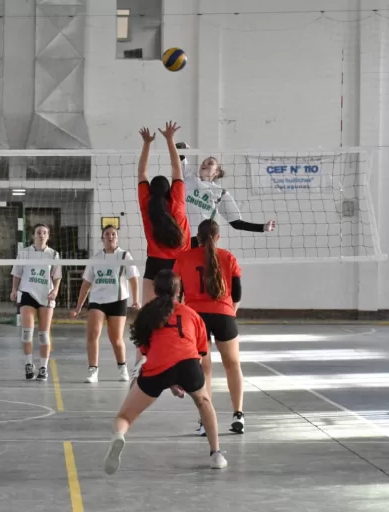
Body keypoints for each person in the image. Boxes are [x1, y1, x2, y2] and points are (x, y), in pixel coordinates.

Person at [103, 269, 226, 475]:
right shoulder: (192, 314)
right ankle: (216, 454)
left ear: (154, 290)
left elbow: (155, 355)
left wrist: (170, 380)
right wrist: (184, 381)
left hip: (157, 368)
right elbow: (200, 352)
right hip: (188, 364)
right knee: (204, 402)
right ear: (179, 292)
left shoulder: (147, 315)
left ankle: (119, 435)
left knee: (124, 416)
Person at [173, 219, 244, 436]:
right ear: (217, 237)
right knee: (233, 364)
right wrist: (230, 312)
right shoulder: (228, 257)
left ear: (198, 238)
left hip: (196, 318)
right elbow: (237, 294)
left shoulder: (183, 258)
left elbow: (176, 292)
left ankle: (206, 421)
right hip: (224, 315)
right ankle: (238, 415)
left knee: (205, 369)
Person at [71, 225, 140, 383]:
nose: (110, 236)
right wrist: (78, 307)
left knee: (116, 339)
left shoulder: (124, 256)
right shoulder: (96, 258)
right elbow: (86, 284)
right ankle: (93, 371)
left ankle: (122, 368)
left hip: (118, 301)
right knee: (92, 334)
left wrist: (136, 300)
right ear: (102, 238)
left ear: (117, 237)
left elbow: (133, 279)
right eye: (107, 234)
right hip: (97, 301)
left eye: (113, 234)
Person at [176, 142, 276, 247]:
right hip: (179, 234)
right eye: (203, 163)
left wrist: (263, 227)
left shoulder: (220, 192)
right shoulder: (190, 177)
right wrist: (185, 146)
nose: (204, 164)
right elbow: (178, 149)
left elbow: (236, 223)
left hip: (199, 240)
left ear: (216, 172)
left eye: (209, 163)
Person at [137, 121, 191, 304]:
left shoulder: (147, 204)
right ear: (170, 190)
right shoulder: (177, 202)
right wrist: (170, 139)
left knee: (148, 312)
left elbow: (141, 172)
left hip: (154, 263)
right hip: (180, 263)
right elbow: (177, 169)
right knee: (177, 313)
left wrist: (147, 143)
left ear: (151, 191)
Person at [10, 224, 62, 381]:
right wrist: (14, 289)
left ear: (48, 236)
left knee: (44, 335)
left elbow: (57, 276)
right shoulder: (24, 253)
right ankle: (28, 364)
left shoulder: (53, 254)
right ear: (33, 235)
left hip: (46, 295)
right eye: (39, 232)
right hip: (27, 293)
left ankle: (43, 368)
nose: (42, 235)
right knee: (27, 333)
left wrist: (56, 290)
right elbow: (17, 273)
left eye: (45, 232)